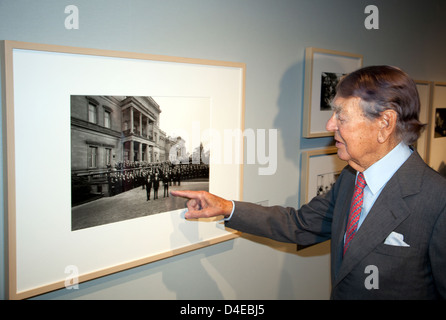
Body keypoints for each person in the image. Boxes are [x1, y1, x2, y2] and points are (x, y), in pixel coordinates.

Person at [172, 65, 446, 300]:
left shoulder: (438, 201)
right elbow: (299, 225)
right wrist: (226, 207)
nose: (329, 125)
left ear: (385, 123)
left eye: (341, 115)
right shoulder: (353, 178)